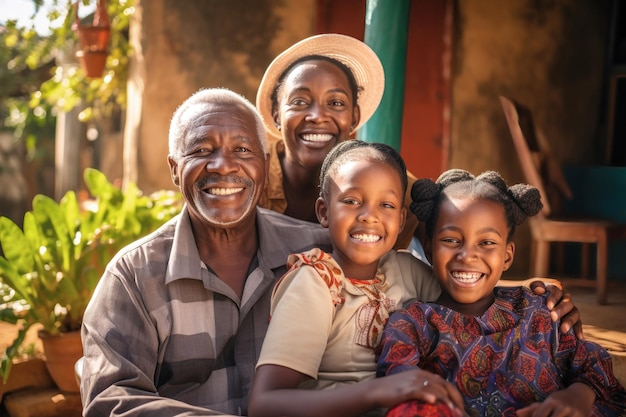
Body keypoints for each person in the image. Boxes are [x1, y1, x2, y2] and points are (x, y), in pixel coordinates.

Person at [80, 88, 334, 416]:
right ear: (175, 168)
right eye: (201, 150)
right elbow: (109, 401)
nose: (223, 166)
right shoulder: (134, 276)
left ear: (265, 164)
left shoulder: (317, 254)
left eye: (242, 149)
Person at [376, 169, 626, 417]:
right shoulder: (413, 324)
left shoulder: (538, 311)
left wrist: (576, 396)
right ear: (429, 250)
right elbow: (399, 382)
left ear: (507, 256)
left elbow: (591, 361)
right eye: (451, 240)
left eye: (486, 243)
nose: (468, 255)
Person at [248, 140, 466, 417]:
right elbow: (265, 404)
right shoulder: (316, 283)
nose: (369, 216)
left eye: (385, 204)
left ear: (400, 220)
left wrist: (529, 298)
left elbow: (468, 309)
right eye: (351, 201)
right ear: (324, 212)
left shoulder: (408, 271)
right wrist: (377, 392)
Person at [255, 33, 420, 252]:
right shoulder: (252, 177)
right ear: (277, 114)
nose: (317, 116)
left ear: (354, 117)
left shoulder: (394, 187)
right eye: (300, 101)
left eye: (335, 102)